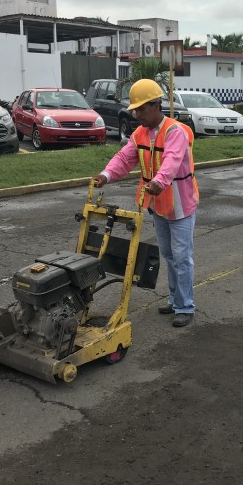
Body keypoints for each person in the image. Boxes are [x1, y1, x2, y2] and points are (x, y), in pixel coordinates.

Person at [92, 79, 199, 328]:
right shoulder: (139, 133)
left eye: (141, 109)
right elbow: (124, 158)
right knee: (170, 255)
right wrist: (105, 175)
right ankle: (175, 301)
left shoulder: (175, 131)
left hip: (180, 205)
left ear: (156, 105)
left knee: (182, 257)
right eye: (135, 109)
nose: (137, 114)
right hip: (157, 203)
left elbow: (171, 162)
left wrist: (159, 182)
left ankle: (185, 306)